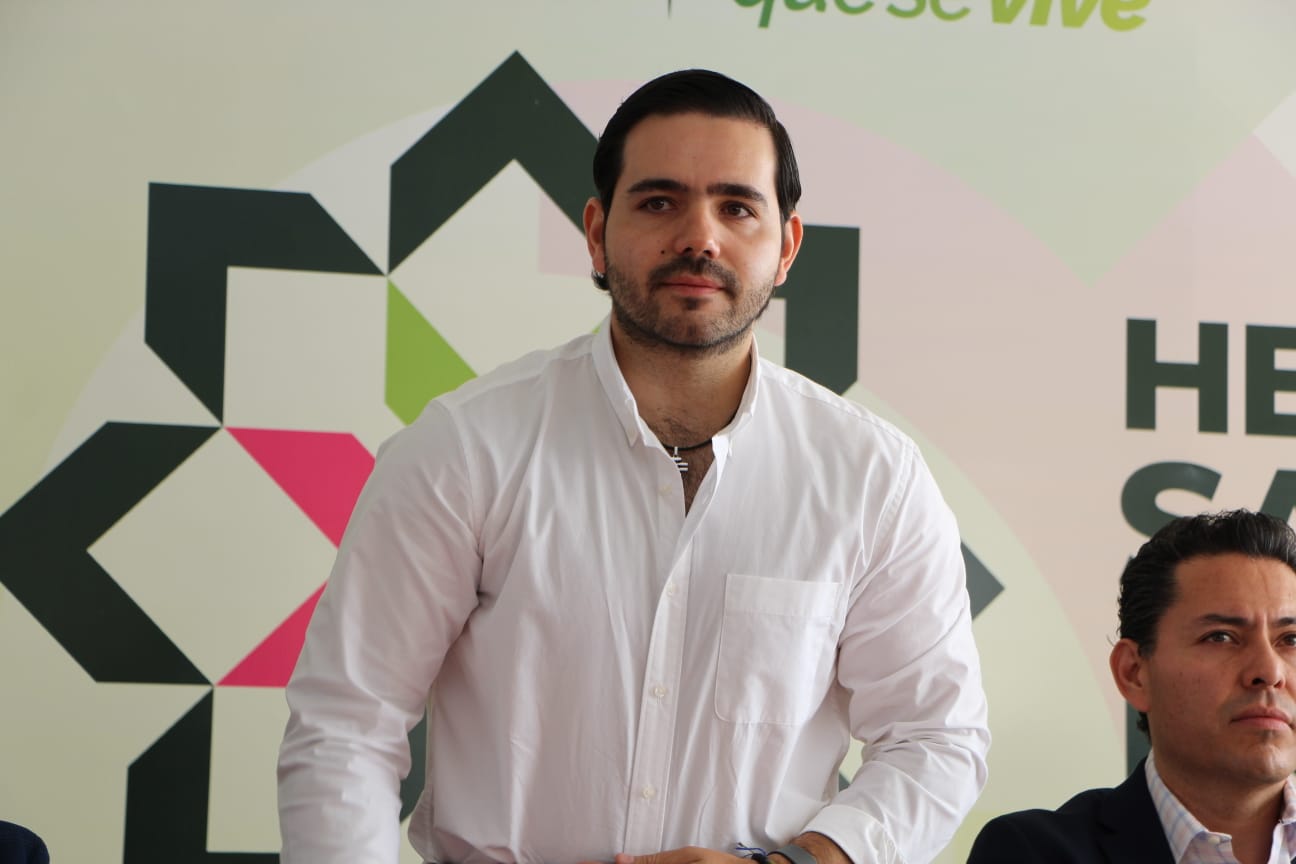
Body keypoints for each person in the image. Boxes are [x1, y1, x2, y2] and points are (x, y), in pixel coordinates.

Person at [277, 68, 988, 864]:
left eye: (736, 207)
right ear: (596, 232)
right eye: (658, 202)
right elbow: (347, 727)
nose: (699, 237)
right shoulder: (465, 447)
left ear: (786, 246)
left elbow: (936, 737)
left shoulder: (871, 478)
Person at [968, 509, 1296, 864]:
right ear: (1134, 673)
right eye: (1220, 637)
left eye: (1291, 639)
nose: (1269, 671)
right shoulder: (1032, 853)